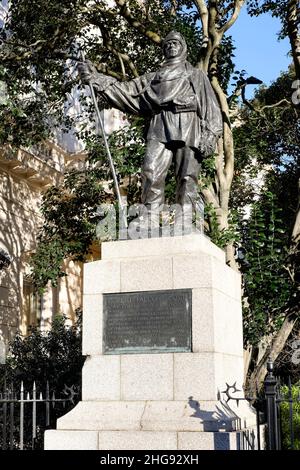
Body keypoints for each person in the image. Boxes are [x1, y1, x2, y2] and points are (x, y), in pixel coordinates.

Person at [78, 31, 222, 232]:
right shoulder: (151, 79)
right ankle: (149, 216)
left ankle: (185, 219)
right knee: (151, 171)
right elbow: (126, 91)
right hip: (159, 123)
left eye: (176, 43)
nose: (172, 46)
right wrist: (95, 79)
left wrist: (212, 133)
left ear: (183, 48)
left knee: (187, 176)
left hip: (188, 123)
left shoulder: (195, 75)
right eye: (168, 43)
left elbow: (211, 107)